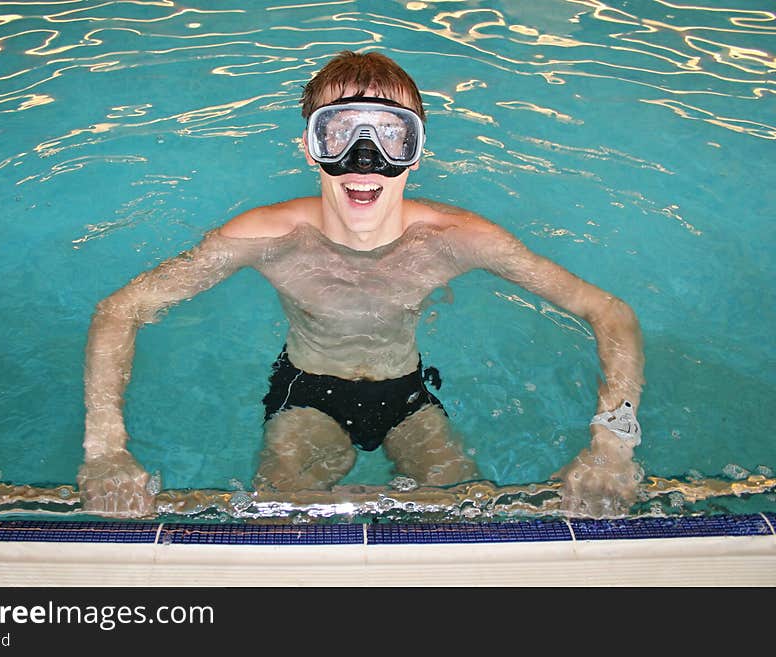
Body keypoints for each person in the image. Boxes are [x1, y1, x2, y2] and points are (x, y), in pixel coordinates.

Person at [77, 50, 645, 518]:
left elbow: (608, 311)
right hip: (306, 392)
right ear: (310, 148)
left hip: (408, 393)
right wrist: (105, 448)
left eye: (390, 135)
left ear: (415, 152)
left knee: (472, 519)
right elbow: (122, 308)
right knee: (281, 523)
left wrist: (613, 445)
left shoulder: (457, 239)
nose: (364, 159)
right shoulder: (266, 237)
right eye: (340, 133)